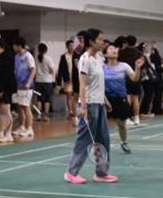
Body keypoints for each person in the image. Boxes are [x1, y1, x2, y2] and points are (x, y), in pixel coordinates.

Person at [64, 28, 118, 184]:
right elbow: (82, 85)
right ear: (92, 41)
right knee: (84, 140)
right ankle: (71, 173)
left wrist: (105, 100)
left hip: (99, 104)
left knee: (103, 139)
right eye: (100, 39)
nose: (103, 42)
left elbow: (98, 83)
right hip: (89, 104)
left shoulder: (99, 57)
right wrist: (83, 107)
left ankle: (101, 173)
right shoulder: (85, 59)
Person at [104, 45, 144, 154]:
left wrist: (137, 68)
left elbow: (134, 78)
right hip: (106, 98)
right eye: (111, 49)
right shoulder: (102, 67)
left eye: (115, 48)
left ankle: (124, 142)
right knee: (103, 124)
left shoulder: (124, 66)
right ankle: (103, 144)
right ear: (105, 54)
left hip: (120, 98)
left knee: (121, 124)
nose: (114, 50)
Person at [0, 37, 16, 142]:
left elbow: (5, 75)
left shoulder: (5, 57)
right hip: (2, 87)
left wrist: (1, 89)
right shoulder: (0, 57)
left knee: (5, 111)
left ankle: (8, 133)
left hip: (5, 88)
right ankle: (1, 132)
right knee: (2, 111)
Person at [11, 37, 37, 137]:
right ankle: (22, 126)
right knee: (19, 106)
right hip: (18, 85)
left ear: (19, 45)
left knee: (26, 106)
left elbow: (33, 70)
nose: (13, 47)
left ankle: (29, 128)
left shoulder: (28, 56)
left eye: (14, 45)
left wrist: (29, 83)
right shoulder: (16, 56)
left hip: (26, 86)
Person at [34, 43, 56, 122]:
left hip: (38, 81)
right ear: (46, 50)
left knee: (39, 99)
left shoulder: (36, 59)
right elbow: (52, 70)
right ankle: (46, 116)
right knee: (47, 99)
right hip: (47, 81)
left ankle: (38, 115)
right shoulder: (48, 58)